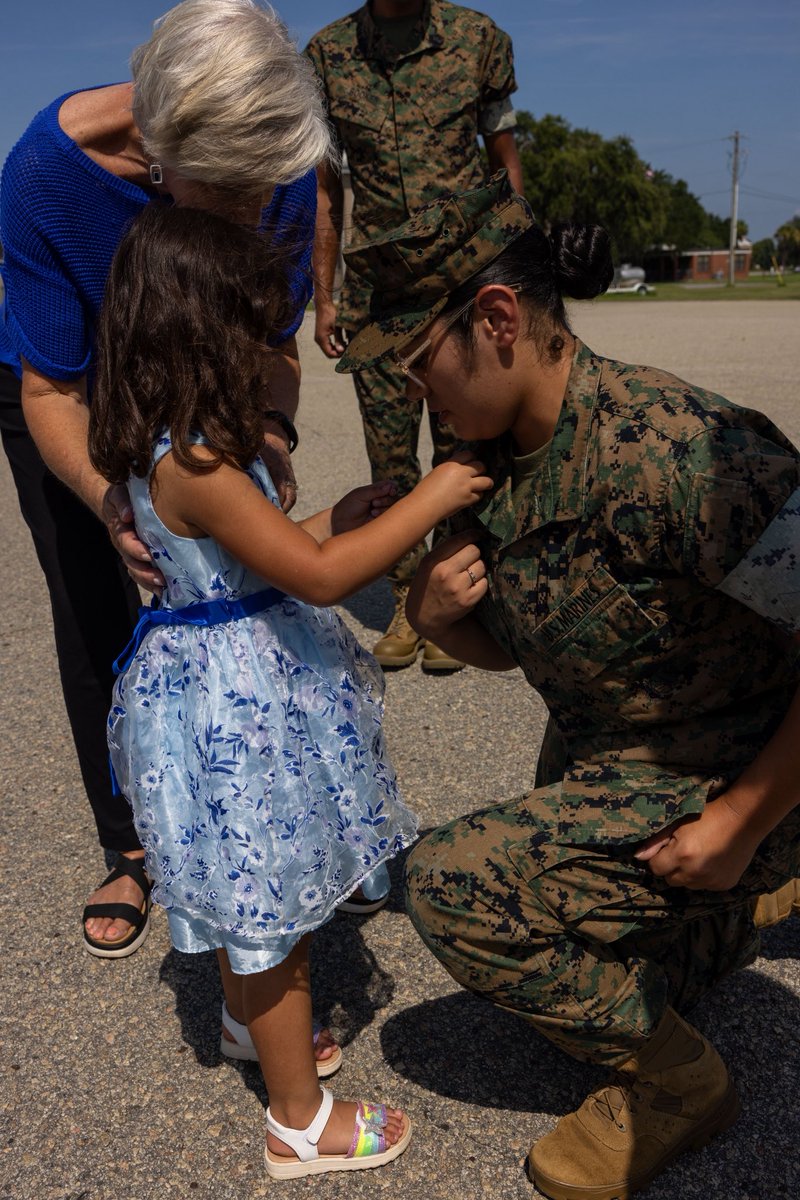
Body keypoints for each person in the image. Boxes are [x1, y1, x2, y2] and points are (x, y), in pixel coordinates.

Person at [335, 171, 800, 1199]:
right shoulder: (495, 463)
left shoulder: (682, 454)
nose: (417, 402)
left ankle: (681, 1086)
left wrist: (738, 823)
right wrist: (448, 621)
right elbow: (540, 645)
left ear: (496, 320)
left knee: (452, 885)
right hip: (632, 758)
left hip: (739, 771)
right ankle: (725, 915)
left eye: (421, 371)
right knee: (585, 972)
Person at [87, 202, 492, 1177]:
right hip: (239, 708)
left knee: (250, 891)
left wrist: (327, 516)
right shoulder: (201, 462)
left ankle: (244, 1022)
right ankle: (298, 1122)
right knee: (274, 915)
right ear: (200, 332)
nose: (270, 350)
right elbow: (314, 581)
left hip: (224, 676)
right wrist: (434, 496)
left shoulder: (185, 449)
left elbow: (256, 564)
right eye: (254, 329)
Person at [0, 0, 330, 958]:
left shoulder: (274, 159)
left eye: (260, 188)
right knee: (101, 605)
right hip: (63, 386)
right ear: (157, 141)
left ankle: (281, 812)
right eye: (224, 190)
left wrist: (268, 427)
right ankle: (132, 845)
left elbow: (272, 337)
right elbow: (51, 388)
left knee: (240, 605)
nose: (248, 212)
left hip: (196, 375)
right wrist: (112, 502)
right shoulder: (40, 175)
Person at [306, 0, 524, 671]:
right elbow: (325, 188)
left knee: (468, 447)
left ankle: (456, 597)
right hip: (378, 294)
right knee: (391, 457)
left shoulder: (478, 40)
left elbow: (505, 161)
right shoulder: (328, 56)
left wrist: (515, 269)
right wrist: (325, 294)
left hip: (463, 281)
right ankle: (407, 595)